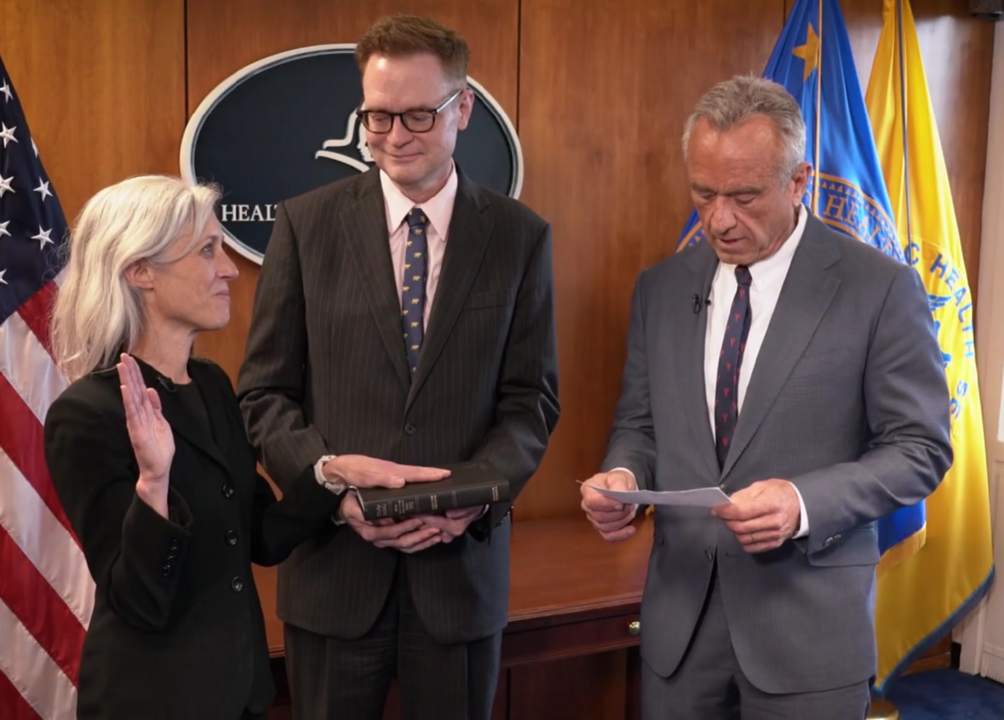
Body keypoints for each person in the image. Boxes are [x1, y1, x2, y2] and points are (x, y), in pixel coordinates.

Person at [579, 76, 952, 720]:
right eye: (703, 193)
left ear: (798, 181)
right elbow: (640, 425)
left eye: (745, 196)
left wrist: (803, 502)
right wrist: (624, 476)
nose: (719, 219)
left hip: (808, 636)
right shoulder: (660, 289)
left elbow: (920, 448)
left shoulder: (879, 289)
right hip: (680, 633)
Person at [236, 14, 559, 720]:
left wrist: (474, 496)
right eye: (377, 117)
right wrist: (333, 492)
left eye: (418, 115)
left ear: (463, 108)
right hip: (334, 578)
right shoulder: (305, 225)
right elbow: (264, 394)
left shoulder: (519, 237)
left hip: (459, 582)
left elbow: (530, 400)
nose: (394, 136)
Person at [43, 175, 445, 720]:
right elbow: (139, 600)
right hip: (154, 703)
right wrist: (154, 485)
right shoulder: (86, 414)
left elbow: (259, 535)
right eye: (208, 250)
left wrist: (329, 476)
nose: (229, 268)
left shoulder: (210, 384)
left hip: (243, 693)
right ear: (141, 271)